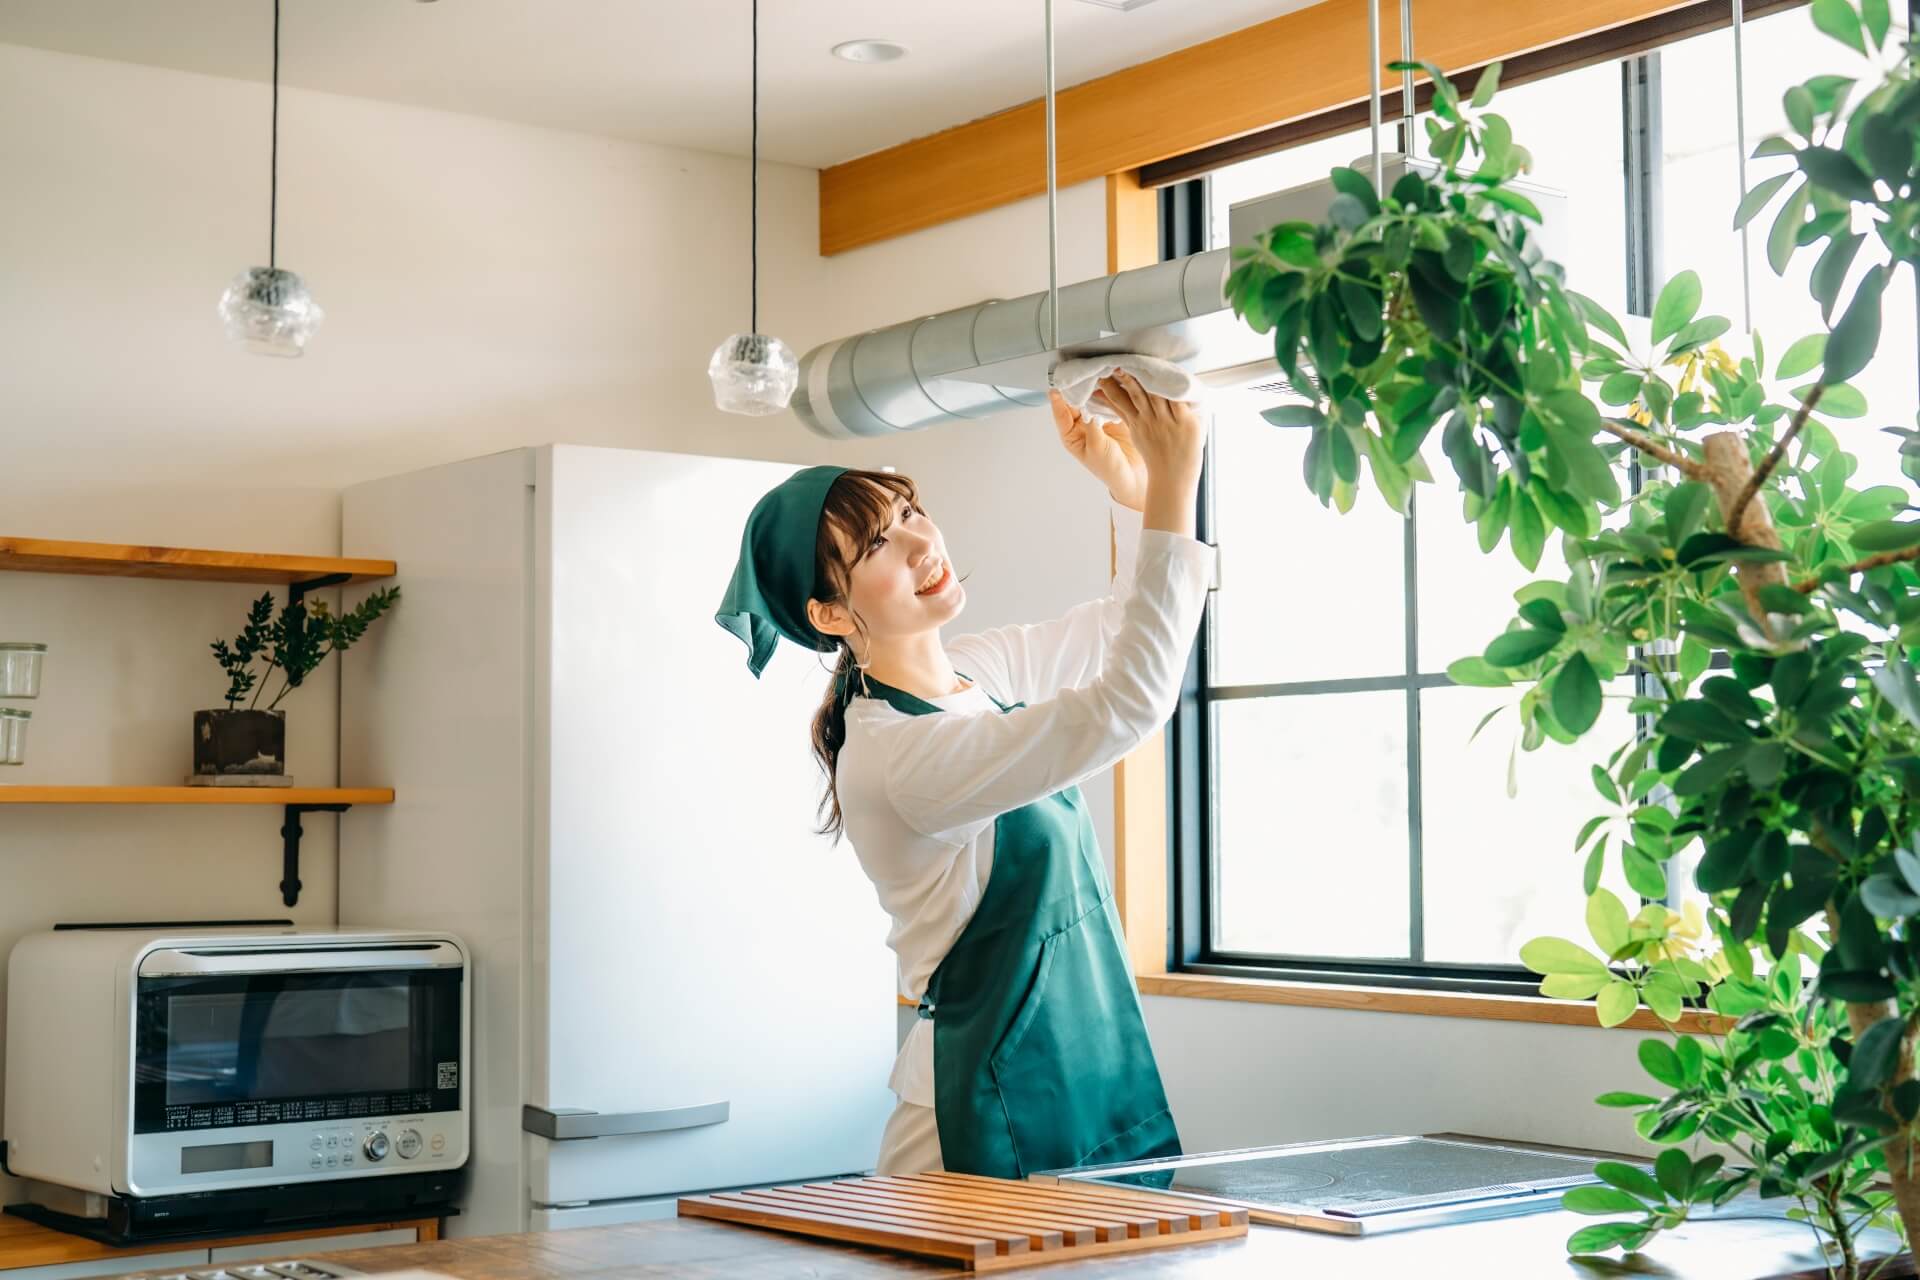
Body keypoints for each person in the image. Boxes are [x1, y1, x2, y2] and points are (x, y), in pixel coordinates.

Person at [716, 372, 1214, 1178]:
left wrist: (1136, 492)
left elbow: (1125, 630)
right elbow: (1132, 701)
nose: (921, 544)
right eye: (877, 545)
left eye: (910, 512)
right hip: (979, 1112)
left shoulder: (975, 677)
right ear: (832, 616)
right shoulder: (894, 758)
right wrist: (1178, 482)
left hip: (1082, 1069)